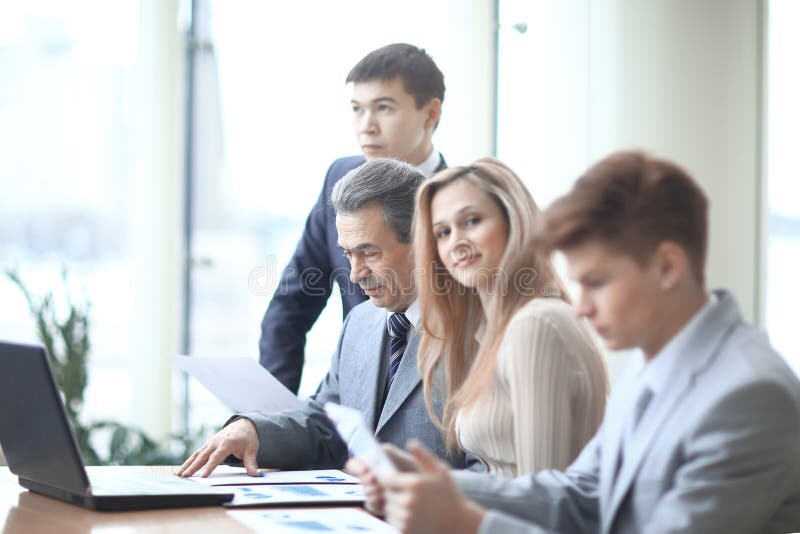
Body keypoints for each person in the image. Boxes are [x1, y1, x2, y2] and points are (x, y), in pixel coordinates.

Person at [360, 151, 800, 534]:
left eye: (597, 283)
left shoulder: (748, 395)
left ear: (667, 266)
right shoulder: (656, 365)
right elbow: (582, 493)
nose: (582, 308)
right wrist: (439, 486)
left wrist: (467, 524)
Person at [176, 159, 471, 478]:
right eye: (347, 254)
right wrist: (254, 431)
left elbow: (494, 469)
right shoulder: (361, 323)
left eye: (370, 253)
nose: (355, 275)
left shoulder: (479, 333)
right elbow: (325, 424)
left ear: (423, 243)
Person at [260, 43, 447, 393]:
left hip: (430, 396)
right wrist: (269, 413)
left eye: (383, 108)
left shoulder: (459, 203)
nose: (366, 126)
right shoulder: (339, 178)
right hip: (352, 390)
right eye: (357, 109)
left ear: (430, 114)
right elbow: (292, 304)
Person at [415, 158, 607, 477]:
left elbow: (545, 502)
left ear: (513, 221)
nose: (456, 243)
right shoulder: (489, 333)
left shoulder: (536, 325)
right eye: (443, 232)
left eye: (472, 221)